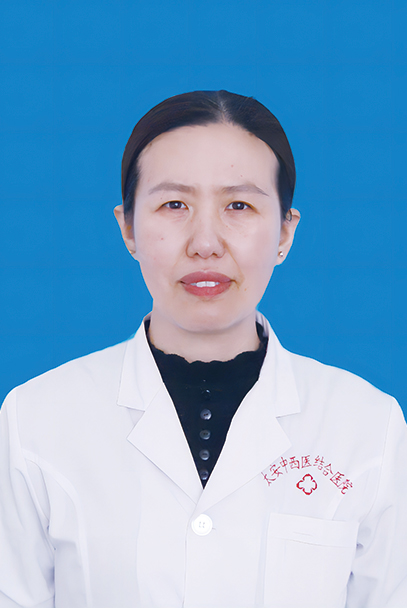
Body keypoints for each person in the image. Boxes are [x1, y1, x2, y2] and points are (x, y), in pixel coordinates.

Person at [0, 90, 406, 608]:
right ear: (127, 227)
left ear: (285, 232)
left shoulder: (368, 427)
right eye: (174, 205)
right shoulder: (35, 420)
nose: (205, 242)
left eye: (239, 205)